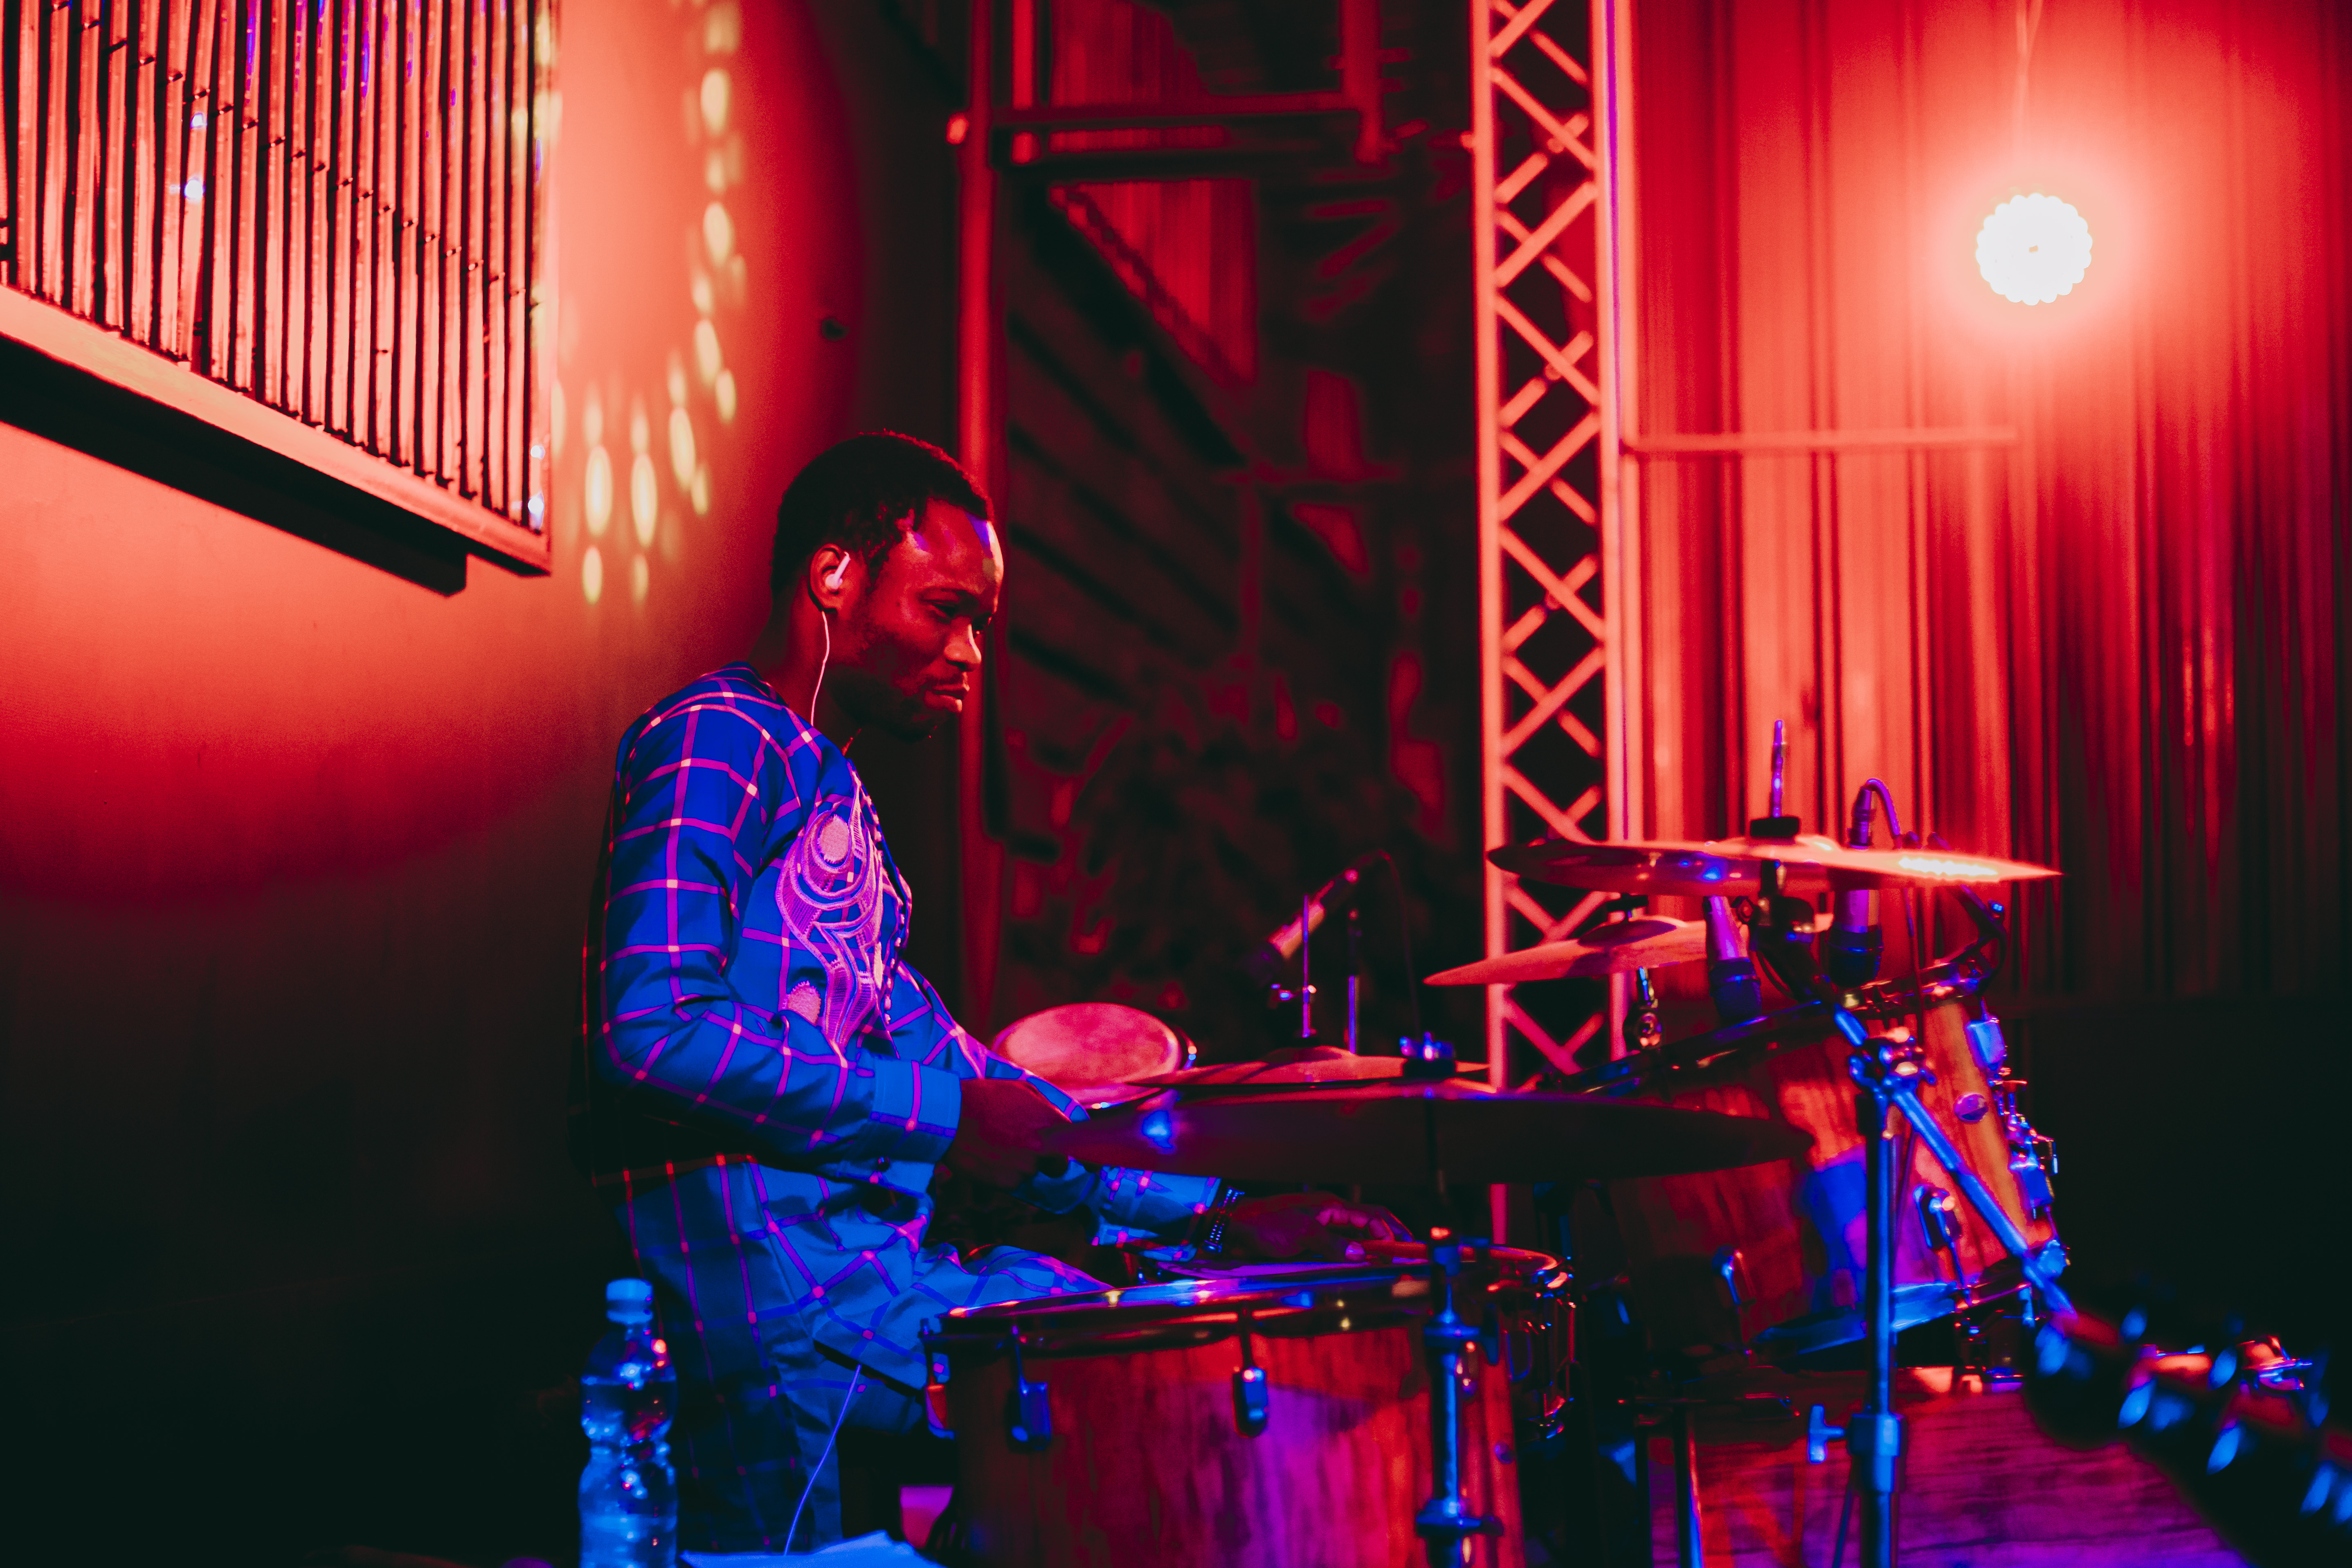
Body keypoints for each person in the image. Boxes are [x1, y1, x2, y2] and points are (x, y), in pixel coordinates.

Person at [571, 432, 1401, 1556]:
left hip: (869, 1289)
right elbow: (649, 1030)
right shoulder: (718, 738)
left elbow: (953, 1062)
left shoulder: (830, 788)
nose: (970, 653)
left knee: (1159, 1340)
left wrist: (1208, 1213)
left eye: (982, 625)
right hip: (782, 1321)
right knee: (1141, 1388)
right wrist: (948, 1116)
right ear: (834, 577)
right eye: (945, 610)